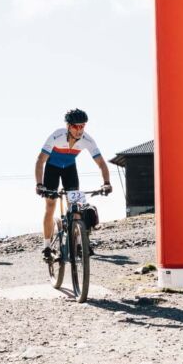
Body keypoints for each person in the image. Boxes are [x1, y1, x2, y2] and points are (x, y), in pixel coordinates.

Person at [35, 108, 112, 261]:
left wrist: (106, 183)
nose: (80, 130)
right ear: (68, 126)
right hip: (52, 169)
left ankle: (78, 243)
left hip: (70, 170)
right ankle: (47, 246)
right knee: (50, 206)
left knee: (76, 207)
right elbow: (40, 160)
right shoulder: (57, 135)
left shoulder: (87, 140)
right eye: (76, 126)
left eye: (82, 126)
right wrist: (39, 184)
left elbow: (101, 163)